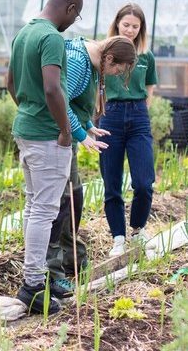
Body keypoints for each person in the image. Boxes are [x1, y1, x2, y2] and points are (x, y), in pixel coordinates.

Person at [5, 0, 82, 315]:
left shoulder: (25, 33)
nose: (72, 23)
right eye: (74, 17)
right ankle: (34, 285)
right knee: (44, 210)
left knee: (33, 205)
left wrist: (27, 109)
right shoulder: (51, 37)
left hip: (26, 128)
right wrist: (65, 129)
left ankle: (31, 278)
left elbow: (10, 82)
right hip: (47, 135)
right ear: (69, 9)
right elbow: (53, 88)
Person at [46, 35, 137, 295]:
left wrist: (87, 126)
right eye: (118, 68)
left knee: (74, 197)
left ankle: (72, 257)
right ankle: (52, 271)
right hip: (55, 137)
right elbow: (60, 100)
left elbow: (75, 102)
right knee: (61, 202)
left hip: (67, 136)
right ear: (109, 57)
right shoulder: (78, 61)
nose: (118, 73)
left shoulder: (93, 62)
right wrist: (81, 134)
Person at [99, 3, 159, 256]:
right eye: (126, 25)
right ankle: (118, 238)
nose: (131, 30)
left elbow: (149, 89)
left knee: (144, 182)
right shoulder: (105, 53)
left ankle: (137, 229)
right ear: (117, 24)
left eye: (136, 26)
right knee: (111, 182)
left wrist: (139, 111)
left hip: (138, 118)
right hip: (110, 117)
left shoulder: (146, 56)